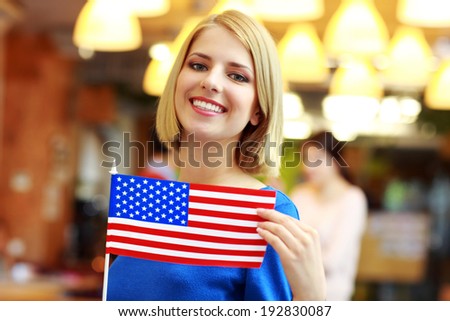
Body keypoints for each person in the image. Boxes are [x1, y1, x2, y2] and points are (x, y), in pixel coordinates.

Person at [107, 10, 326, 301]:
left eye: (237, 75)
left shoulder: (267, 213)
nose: (211, 81)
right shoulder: (152, 198)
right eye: (198, 65)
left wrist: (313, 299)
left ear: (258, 109)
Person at [289, 131, 368, 300]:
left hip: (331, 296)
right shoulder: (300, 194)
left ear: (336, 160)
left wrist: (289, 261)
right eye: (304, 159)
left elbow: (332, 260)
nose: (307, 167)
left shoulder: (353, 199)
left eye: (316, 159)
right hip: (293, 294)